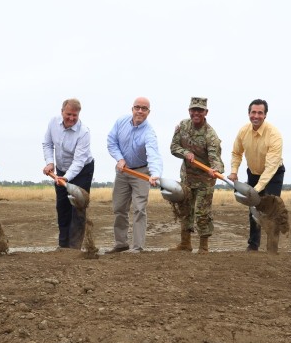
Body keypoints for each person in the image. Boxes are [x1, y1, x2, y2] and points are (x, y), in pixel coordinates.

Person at [106, 96, 162, 253]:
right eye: (137, 107)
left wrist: (155, 173)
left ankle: (137, 247)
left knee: (139, 208)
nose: (140, 111)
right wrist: (120, 158)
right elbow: (111, 141)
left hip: (142, 172)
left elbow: (153, 154)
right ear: (132, 109)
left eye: (144, 109)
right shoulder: (121, 122)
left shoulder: (149, 133)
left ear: (148, 112)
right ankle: (121, 243)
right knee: (119, 208)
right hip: (123, 171)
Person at [228, 99, 285, 251]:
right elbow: (236, 152)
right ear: (249, 114)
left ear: (265, 115)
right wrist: (234, 171)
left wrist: (257, 189)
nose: (256, 116)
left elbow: (271, 166)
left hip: (273, 174)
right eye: (253, 112)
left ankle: (272, 246)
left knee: (271, 208)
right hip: (253, 172)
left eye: (260, 113)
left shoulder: (274, 135)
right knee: (253, 207)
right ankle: (253, 244)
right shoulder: (243, 131)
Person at [170, 97, 224, 253]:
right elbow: (174, 147)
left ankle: (203, 246)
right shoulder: (182, 126)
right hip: (187, 177)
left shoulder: (210, 135)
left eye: (200, 110)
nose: (196, 113)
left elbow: (215, 159)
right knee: (185, 209)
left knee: (202, 212)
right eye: (193, 109)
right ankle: (185, 244)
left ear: (206, 112)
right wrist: (185, 152)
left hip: (205, 180)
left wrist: (214, 170)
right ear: (189, 111)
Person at [42, 98, 94, 249]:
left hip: (82, 170)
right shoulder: (53, 123)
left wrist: (65, 178)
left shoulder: (83, 132)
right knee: (62, 206)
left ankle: (74, 247)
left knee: (77, 206)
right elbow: (47, 143)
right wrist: (50, 162)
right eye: (68, 114)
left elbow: (78, 161)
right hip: (61, 170)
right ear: (62, 111)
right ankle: (63, 245)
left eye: (75, 116)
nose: (71, 118)